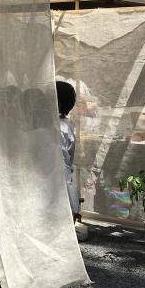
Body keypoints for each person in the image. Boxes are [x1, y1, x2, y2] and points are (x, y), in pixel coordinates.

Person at [56, 80, 88, 242]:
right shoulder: (64, 126)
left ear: (58, 104)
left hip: (59, 187)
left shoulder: (57, 129)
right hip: (65, 183)